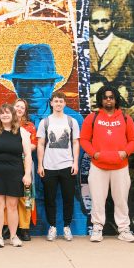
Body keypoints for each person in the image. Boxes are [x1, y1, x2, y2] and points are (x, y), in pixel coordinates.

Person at [79, 85, 134, 242]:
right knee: (98, 200)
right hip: (98, 166)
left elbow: (133, 140)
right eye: (105, 97)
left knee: (121, 200)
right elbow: (84, 139)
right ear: (101, 99)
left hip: (120, 166)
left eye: (111, 97)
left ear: (115, 99)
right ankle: (97, 228)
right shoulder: (92, 118)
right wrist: (94, 153)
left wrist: (125, 152)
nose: (108, 100)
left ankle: (124, 229)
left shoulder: (126, 118)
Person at [0, 104, 32, 248]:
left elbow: (28, 155)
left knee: (12, 206)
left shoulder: (21, 132)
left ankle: (13, 236)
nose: (5, 115)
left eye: (8, 113)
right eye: (2, 113)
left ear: (13, 115)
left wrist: (27, 174)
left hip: (15, 173)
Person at [2, 43, 83, 128]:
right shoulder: (3, 123)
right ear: (15, 84)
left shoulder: (73, 121)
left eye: (41, 83)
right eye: (26, 83)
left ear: (52, 84)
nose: (33, 90)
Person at [37, 91, 80, 242]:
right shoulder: (45, 122)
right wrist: (40, 164)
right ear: (51, 103)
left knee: (68, 198)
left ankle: (66, 227)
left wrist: (75, 162)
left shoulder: (71, 121)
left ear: (65, 103)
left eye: (61, 101)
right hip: (49, 166)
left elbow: (75, 143)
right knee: (50, 198)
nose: (58, 104)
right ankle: (53, 227)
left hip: (67, 165)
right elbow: (41, 144)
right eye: (56, 101)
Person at [89, 5, 133, 85]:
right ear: (90, 25)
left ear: (113, 23)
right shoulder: (83, 46)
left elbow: (131, 80)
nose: (100, 26)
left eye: (105, 21)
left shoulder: (127, 46)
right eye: (95, 22)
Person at [13, 98, 37, 241]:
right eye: (17, 106)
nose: (19, 109)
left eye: (22, 107)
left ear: (25, 110)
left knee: (26, 196)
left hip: (25, 163)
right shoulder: (5, 124)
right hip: (9, 163)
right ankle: (8, 226)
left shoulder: (30, 126)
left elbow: (33, 145)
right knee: (8, 195)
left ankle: (24, 227)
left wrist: (17, 148)